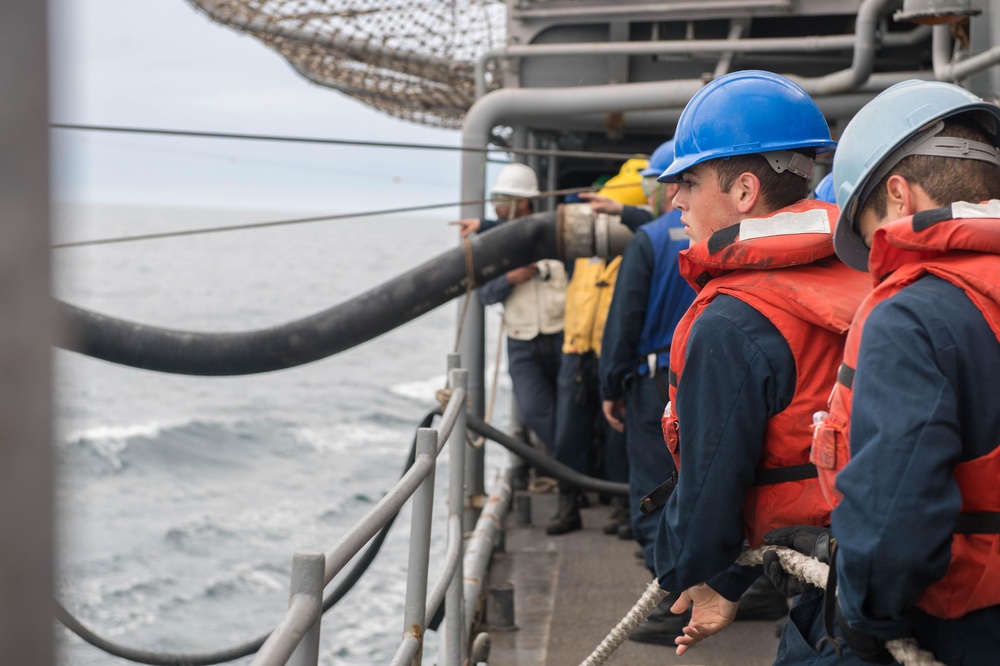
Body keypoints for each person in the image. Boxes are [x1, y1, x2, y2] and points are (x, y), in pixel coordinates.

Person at [772, 80, 1000, 665]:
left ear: (898, 195)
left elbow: (896, 505)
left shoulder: (914, 315)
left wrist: (866, 613)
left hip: (969, 626)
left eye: (870, 230)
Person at [647, 70, 870, 661]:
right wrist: (728, 584)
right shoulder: (863, 273)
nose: (675, 199)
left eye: (689, 181)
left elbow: (710, 485)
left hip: (837, 603)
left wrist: (684, 568)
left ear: (744, 192)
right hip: (887, 561)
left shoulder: (730, 322)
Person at [597, 140, 694, 559]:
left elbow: (624, 323)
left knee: (655, 483)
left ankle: (664, 588)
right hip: (709, 376)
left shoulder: (647, 241)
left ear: (663, 187)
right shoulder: (721, 237)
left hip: (654, 384)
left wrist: (610, 387)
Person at [545, 159, 650, 536]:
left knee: (621, 435)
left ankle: (623, 506)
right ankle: (567, 503)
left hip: (617, 352)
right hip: (576, 349)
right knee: (567, 435)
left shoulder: (642, 248)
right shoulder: (584, 252)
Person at [452, 162, 568, 452]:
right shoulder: (494, 245)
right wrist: (510, 278)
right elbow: (485, 294)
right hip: (522, 342)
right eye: (495, 199)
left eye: (503, 200)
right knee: (535, 410)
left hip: (564, 336)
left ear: (524, 201)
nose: (496, 207)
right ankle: (567, 466)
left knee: (573, 413)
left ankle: (570, 472)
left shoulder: (558, 235)